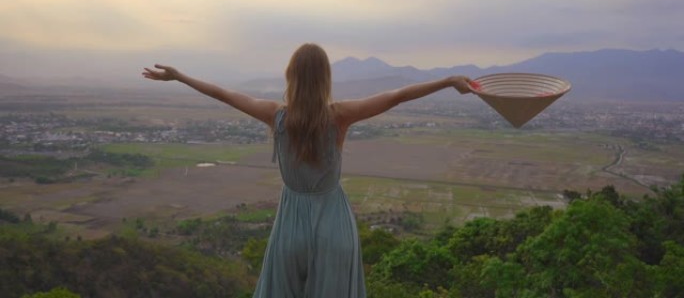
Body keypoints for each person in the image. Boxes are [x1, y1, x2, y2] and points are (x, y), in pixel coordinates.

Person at [142, 43, 472, 298]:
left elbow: (224, 95)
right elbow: (396, 96)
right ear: (325, 78)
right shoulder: (339, 116)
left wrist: (179, 76)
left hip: (290, 228)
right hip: (333, 225)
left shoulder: (276, 115)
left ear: (291, 76)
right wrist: (447, 80)